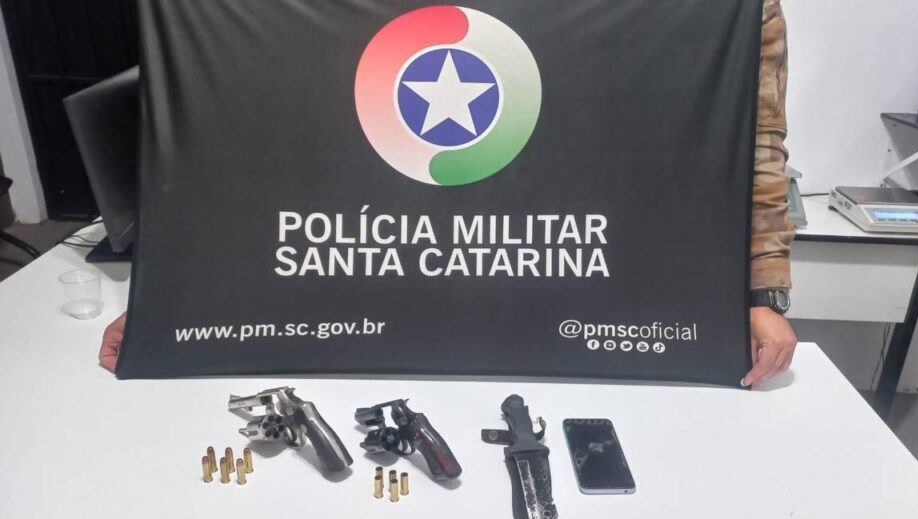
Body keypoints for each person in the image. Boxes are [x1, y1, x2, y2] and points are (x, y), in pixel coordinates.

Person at [100, 1, 797, 384]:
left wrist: (758, 296)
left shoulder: (729, 14)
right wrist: (176, 306)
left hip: (594, 327)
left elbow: (756, 148)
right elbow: (228, 136)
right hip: (374, 337)